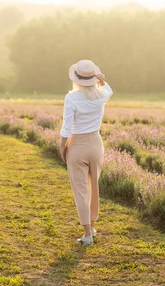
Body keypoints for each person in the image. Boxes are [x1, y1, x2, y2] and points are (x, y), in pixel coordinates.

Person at [59, 59, 113, 246]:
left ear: (77, 79)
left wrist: (62, 147)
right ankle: (93, 225)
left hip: (78, 145)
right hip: (96, 144)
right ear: (93, 77)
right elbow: (109, 89)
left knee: (81, 190)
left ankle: (87, 233)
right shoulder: (101, 95)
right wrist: (101, 80)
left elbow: (66, 127)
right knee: (93, 187)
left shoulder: (72, 98)